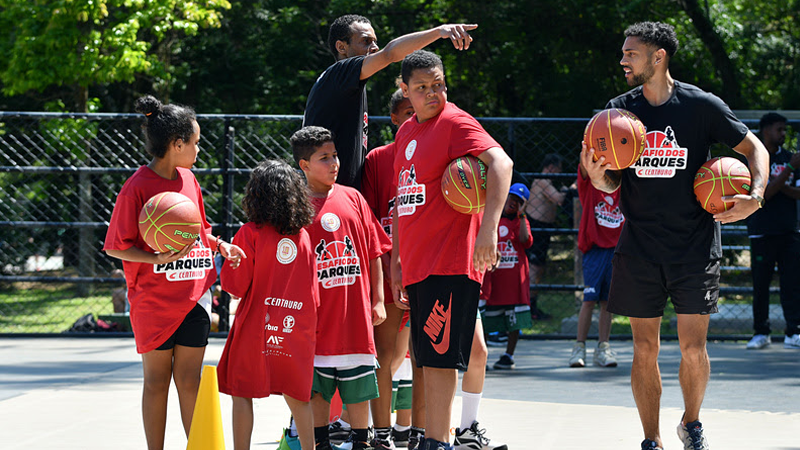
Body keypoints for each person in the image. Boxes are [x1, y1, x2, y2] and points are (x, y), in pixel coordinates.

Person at [580, 22, 769, 450]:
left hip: (694, 245)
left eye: (632, 53)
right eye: (624, 52)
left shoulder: (700, 106)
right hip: (640, 246)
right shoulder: (617, 114)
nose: (623, 60)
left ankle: (693, 422)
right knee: (644, 349)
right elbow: (611, 183)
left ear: (658, 56)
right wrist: (598, 177)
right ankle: (652, 439)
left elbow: (755, 148)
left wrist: (755, 196)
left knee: (691, 348)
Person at [103, 95, 245, 450]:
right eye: (195, 142)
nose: (199, 149)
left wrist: (219, 245)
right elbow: (114, 246)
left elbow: (196, 232)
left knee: (190, 380)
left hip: (193, 298)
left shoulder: (189, 181)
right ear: (176, 144)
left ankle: (198, 446)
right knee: (155, 382)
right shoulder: (137, 187)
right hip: (153, 302)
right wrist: (156, 259)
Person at [390, 50, 513, 450]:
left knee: (441, 357)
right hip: (418, 261)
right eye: (422, 87)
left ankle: (437, 441)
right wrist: (396, 260)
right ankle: (437, 437)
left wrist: (488, 230)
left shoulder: (455, 122)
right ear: (404, 89)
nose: (432, 93)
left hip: (450, 258)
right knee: (427, 358)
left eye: (438, 85)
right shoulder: (405, 132)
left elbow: (502, 163)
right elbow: (402, 200)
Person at [291, 126, 392, 450]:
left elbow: (375, 251)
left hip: (355, 320)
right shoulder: (295, 207)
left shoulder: (354, 198)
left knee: (359, 388)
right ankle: (321, 443)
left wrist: (378, 299)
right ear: (304, 165)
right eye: (324, 158)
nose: (334, 163)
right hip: (315, 322)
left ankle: (361, 441)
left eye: (334, 155)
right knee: (317, 389)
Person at [303, 14, 477, 189]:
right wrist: (440, 31)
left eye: (375, 41)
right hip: (327, 197)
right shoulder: (340, 74)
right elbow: (389, 54)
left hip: (339, 194)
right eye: (366, 41)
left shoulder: (343, 84)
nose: (374, 47)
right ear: (341, 47)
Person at [216, 160, 320, 450]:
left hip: (256, 326)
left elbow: (235, 286)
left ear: (257, 194)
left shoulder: (250, 233)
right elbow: (313, 291)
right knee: (298, 396)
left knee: (242, 393)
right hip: (296, 325)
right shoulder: (304, 237)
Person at [361, 88, 415, 449]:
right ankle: (380, 431)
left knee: (422, 357)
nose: (414, 117)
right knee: (387, 355)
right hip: (392, 270)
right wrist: (386, 272)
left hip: (428, 267)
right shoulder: (379, 160)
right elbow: (370, 223)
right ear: (394, 118)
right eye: (406, 112)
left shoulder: (440, 154)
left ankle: (417, 430)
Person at [745, 112, 800, 350]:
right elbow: (762, 195)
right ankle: (761, 332)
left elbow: (797, 192)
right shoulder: (755, 158)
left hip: (788, 232)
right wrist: (785, 174)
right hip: (762, 232)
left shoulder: (789, 158)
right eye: (779, 129)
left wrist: (775, 186)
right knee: (761, 284)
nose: (783, 134)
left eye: (785, 130)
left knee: (792, 284)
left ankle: (793, 332)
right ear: (766, 130)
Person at [569, 162, 624, 368]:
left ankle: (603, 347)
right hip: (594, 250)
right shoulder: (590, 187)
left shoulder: (625, 190)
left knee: (607, 303)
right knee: (589, 300)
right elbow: (585, 165)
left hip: (616, 252)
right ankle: (579, 347)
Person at [481, 183, 533, 370]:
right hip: (495, 281)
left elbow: (525, 241)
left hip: (514, 282)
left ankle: (508, 355)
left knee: (514, 321)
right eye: (511, 198)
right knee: (488, 320)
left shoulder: (520, 221)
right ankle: (482, 357)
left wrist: (522, 214)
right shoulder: (493, 219)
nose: (513, 203)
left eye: (518, 201)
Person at [523, 153, 567, 320]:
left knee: (538, 267)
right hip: (537, 228)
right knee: (534, 267)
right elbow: (558, 199)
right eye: (559, 169)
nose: (560, 173)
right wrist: (570, 189)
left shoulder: (546, 182)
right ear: (551, 167)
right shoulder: (542, 180)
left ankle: (532, 305)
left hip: (543, 228)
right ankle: (529, 307)